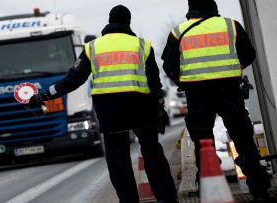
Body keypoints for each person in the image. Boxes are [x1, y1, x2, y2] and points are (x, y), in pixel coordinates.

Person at [29, 5, 178, 203]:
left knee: (118, 160)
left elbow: (72, 80)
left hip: (110, 112)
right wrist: (159, 106)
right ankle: (167, 199)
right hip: (140, 109)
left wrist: (45, 95)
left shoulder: (93, 47)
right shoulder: (142, 45)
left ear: (109, 21)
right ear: (128, 22)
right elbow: (154, 82)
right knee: (152, 153)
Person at [161, 0, 271, 201]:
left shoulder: (179, 32)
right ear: (213, 6)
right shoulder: (230, 26)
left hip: (197, 94)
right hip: (229, 90)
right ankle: (259, 190)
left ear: (191, 8)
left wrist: (186, 81)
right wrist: (231, 71)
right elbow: (248, 54)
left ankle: (209, 191)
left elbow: (169, 66)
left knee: (204, 143)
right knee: (243, 139)